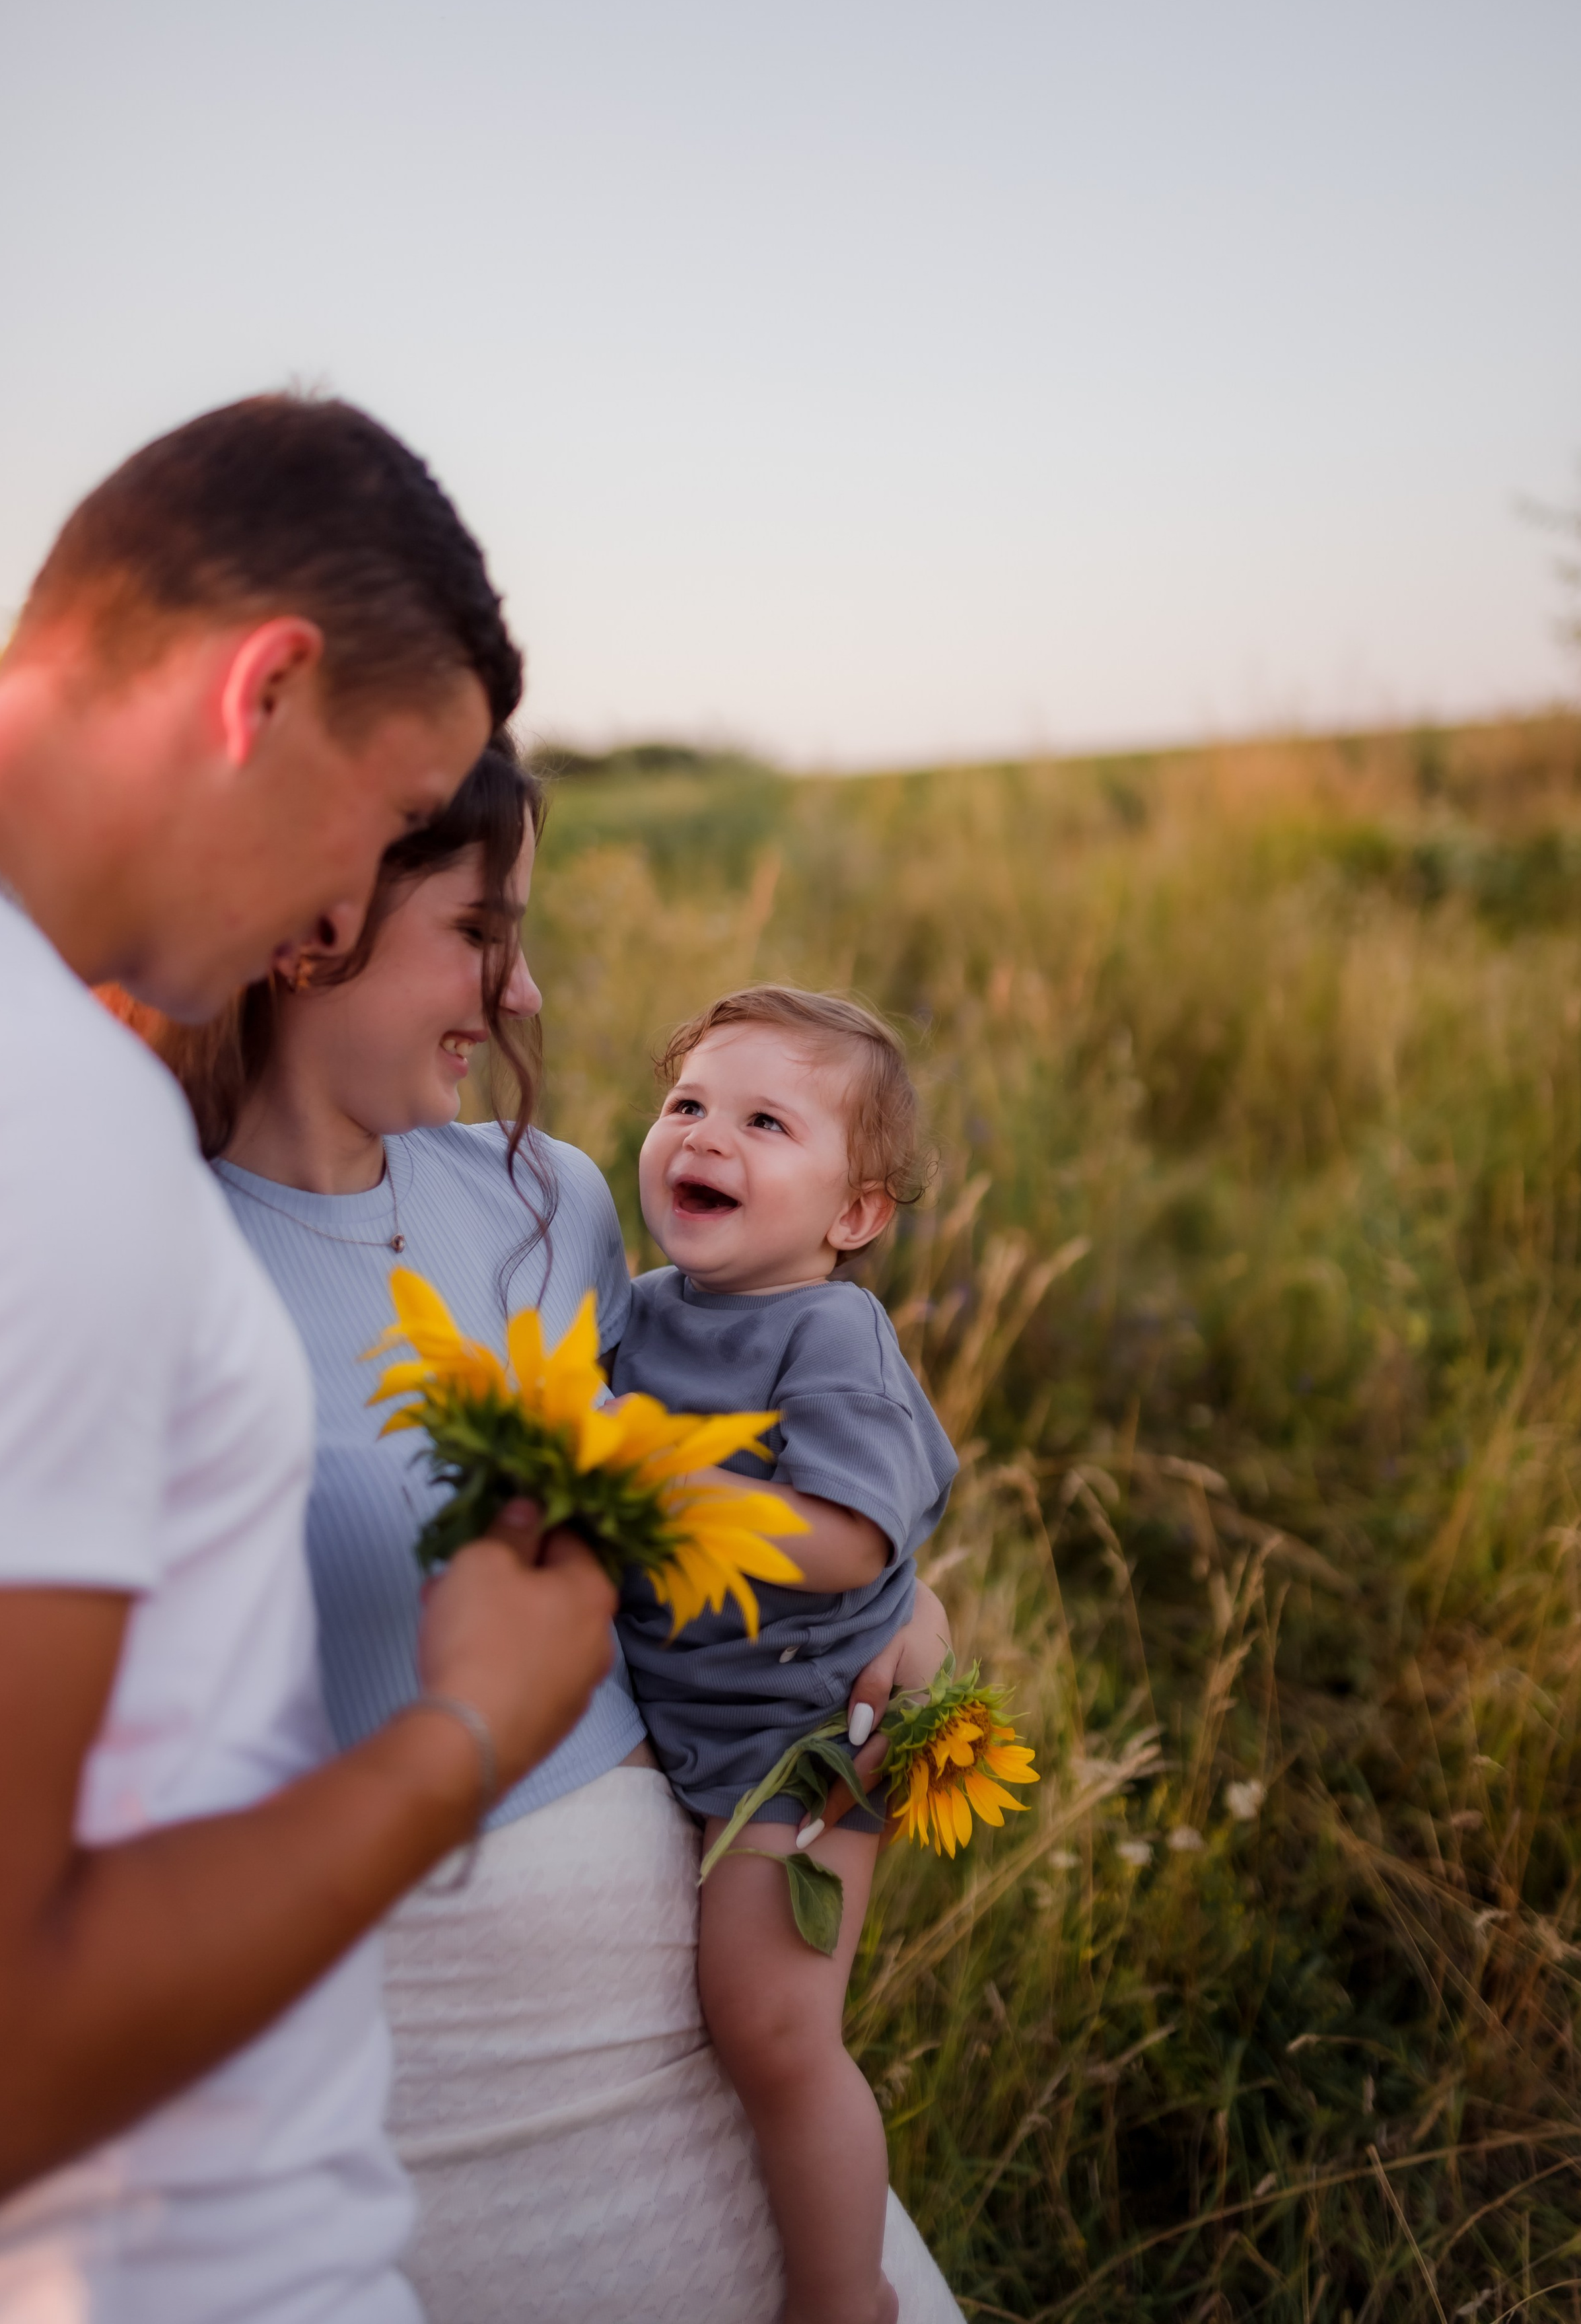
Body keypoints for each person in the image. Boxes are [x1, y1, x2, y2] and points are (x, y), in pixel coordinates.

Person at [142, 740, 966, 2323]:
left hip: (693, 1973)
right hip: (404, 2070)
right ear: (307, 922)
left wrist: (894, 1628)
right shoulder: (127, 1254)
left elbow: (723, 1509)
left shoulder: (551, 1200)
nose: (522, 1001)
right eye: (480, 934)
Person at [0, 396, 617, 2324]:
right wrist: (463, 1741)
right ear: (260, 690)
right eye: (379, 815)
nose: (344, 910)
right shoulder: (62, 1136)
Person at [614, 989, 955, 2324]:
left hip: (809, 1742)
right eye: (688, 1104)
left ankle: (840, 2297)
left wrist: (657, 1487)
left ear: (851, 1216)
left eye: (765, 1121)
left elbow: (849, 1542)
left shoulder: (827, 1333)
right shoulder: (639, 1310)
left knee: (767, 2023)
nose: (707, 1137)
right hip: (693, 1718)